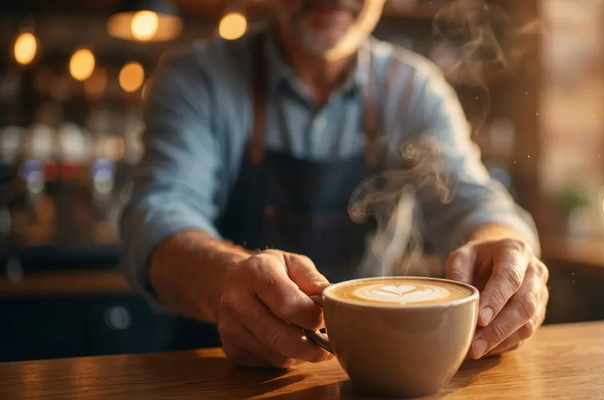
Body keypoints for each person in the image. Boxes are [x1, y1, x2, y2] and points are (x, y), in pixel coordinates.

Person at [120, 0, 549, 368]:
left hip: (376, 367)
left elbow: (474, 203)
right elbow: (157, 219)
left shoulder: (414, 88)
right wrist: (227, 277)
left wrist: (505, 250)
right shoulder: (198, 77)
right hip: (215, 368)